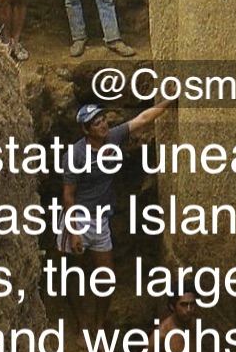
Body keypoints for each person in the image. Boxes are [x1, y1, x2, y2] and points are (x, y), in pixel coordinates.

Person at [61, 98, 172, 335]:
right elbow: (68, 196)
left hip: (100, 219)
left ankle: (99, 324)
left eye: (103, 120)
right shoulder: (75, 155)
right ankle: (82, 323)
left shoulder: (113, 137)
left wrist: (170, 99)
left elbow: (142, 119)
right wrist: (74, 232)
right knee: (76, 274)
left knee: (106, 279)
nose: (103, 126)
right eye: (97, 124)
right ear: (85, 130)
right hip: (78, 218)